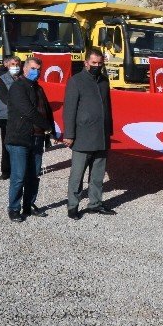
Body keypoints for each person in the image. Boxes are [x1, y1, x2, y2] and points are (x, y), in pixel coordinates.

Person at [62, 49, 115, 220]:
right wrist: (69, 134)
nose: (97, 66)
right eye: (94, 63)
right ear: (86, 63)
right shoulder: (76, 81)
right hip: (83, 136)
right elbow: (69, 110)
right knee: (77, 175)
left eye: (100, 63)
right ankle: (73, 206)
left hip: (101, 135)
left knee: (98, 175)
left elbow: (108, 108)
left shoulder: (104, 81)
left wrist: (109, 130)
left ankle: (95, 204)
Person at [5, 56, 52, 222]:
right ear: (24, 69)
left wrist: (51, 130)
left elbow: (47, 110)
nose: (36, 72)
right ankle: (14, 208)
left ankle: (29, 204)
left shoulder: (38, 88)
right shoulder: (18, 87)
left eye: (38, 69)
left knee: (34, 175)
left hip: (37, 138)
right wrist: (46, 125)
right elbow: (28, 112)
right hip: (19, 138)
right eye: (33, 69)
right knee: (19, 176)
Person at [0, 56, 21, 180]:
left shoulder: (22, 78)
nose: (15, 66)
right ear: (7, 65)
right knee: (6, 143)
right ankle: (6, 170)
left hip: (21, 115)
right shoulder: (1, 78)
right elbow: (4, 97)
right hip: (7, 115)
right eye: (13, 64)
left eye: (17, 64)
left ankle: (19, 168)